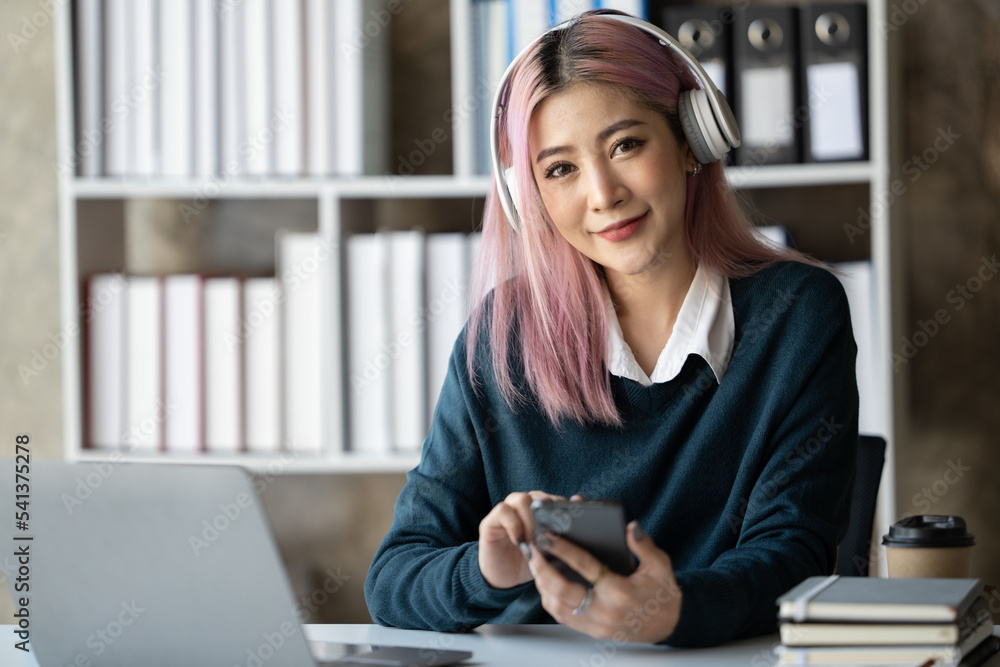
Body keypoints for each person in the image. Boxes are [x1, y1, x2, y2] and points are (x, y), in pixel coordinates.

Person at [364, 10, 859, 648]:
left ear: (690, 140)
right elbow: (393, 579)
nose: (602, 194)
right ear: (528, 197)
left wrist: (673, 610)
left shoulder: (795, 314)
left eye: (626, 145)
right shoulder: (502, 338)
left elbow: (795, 555)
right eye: (560, 169)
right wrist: (487, 571)